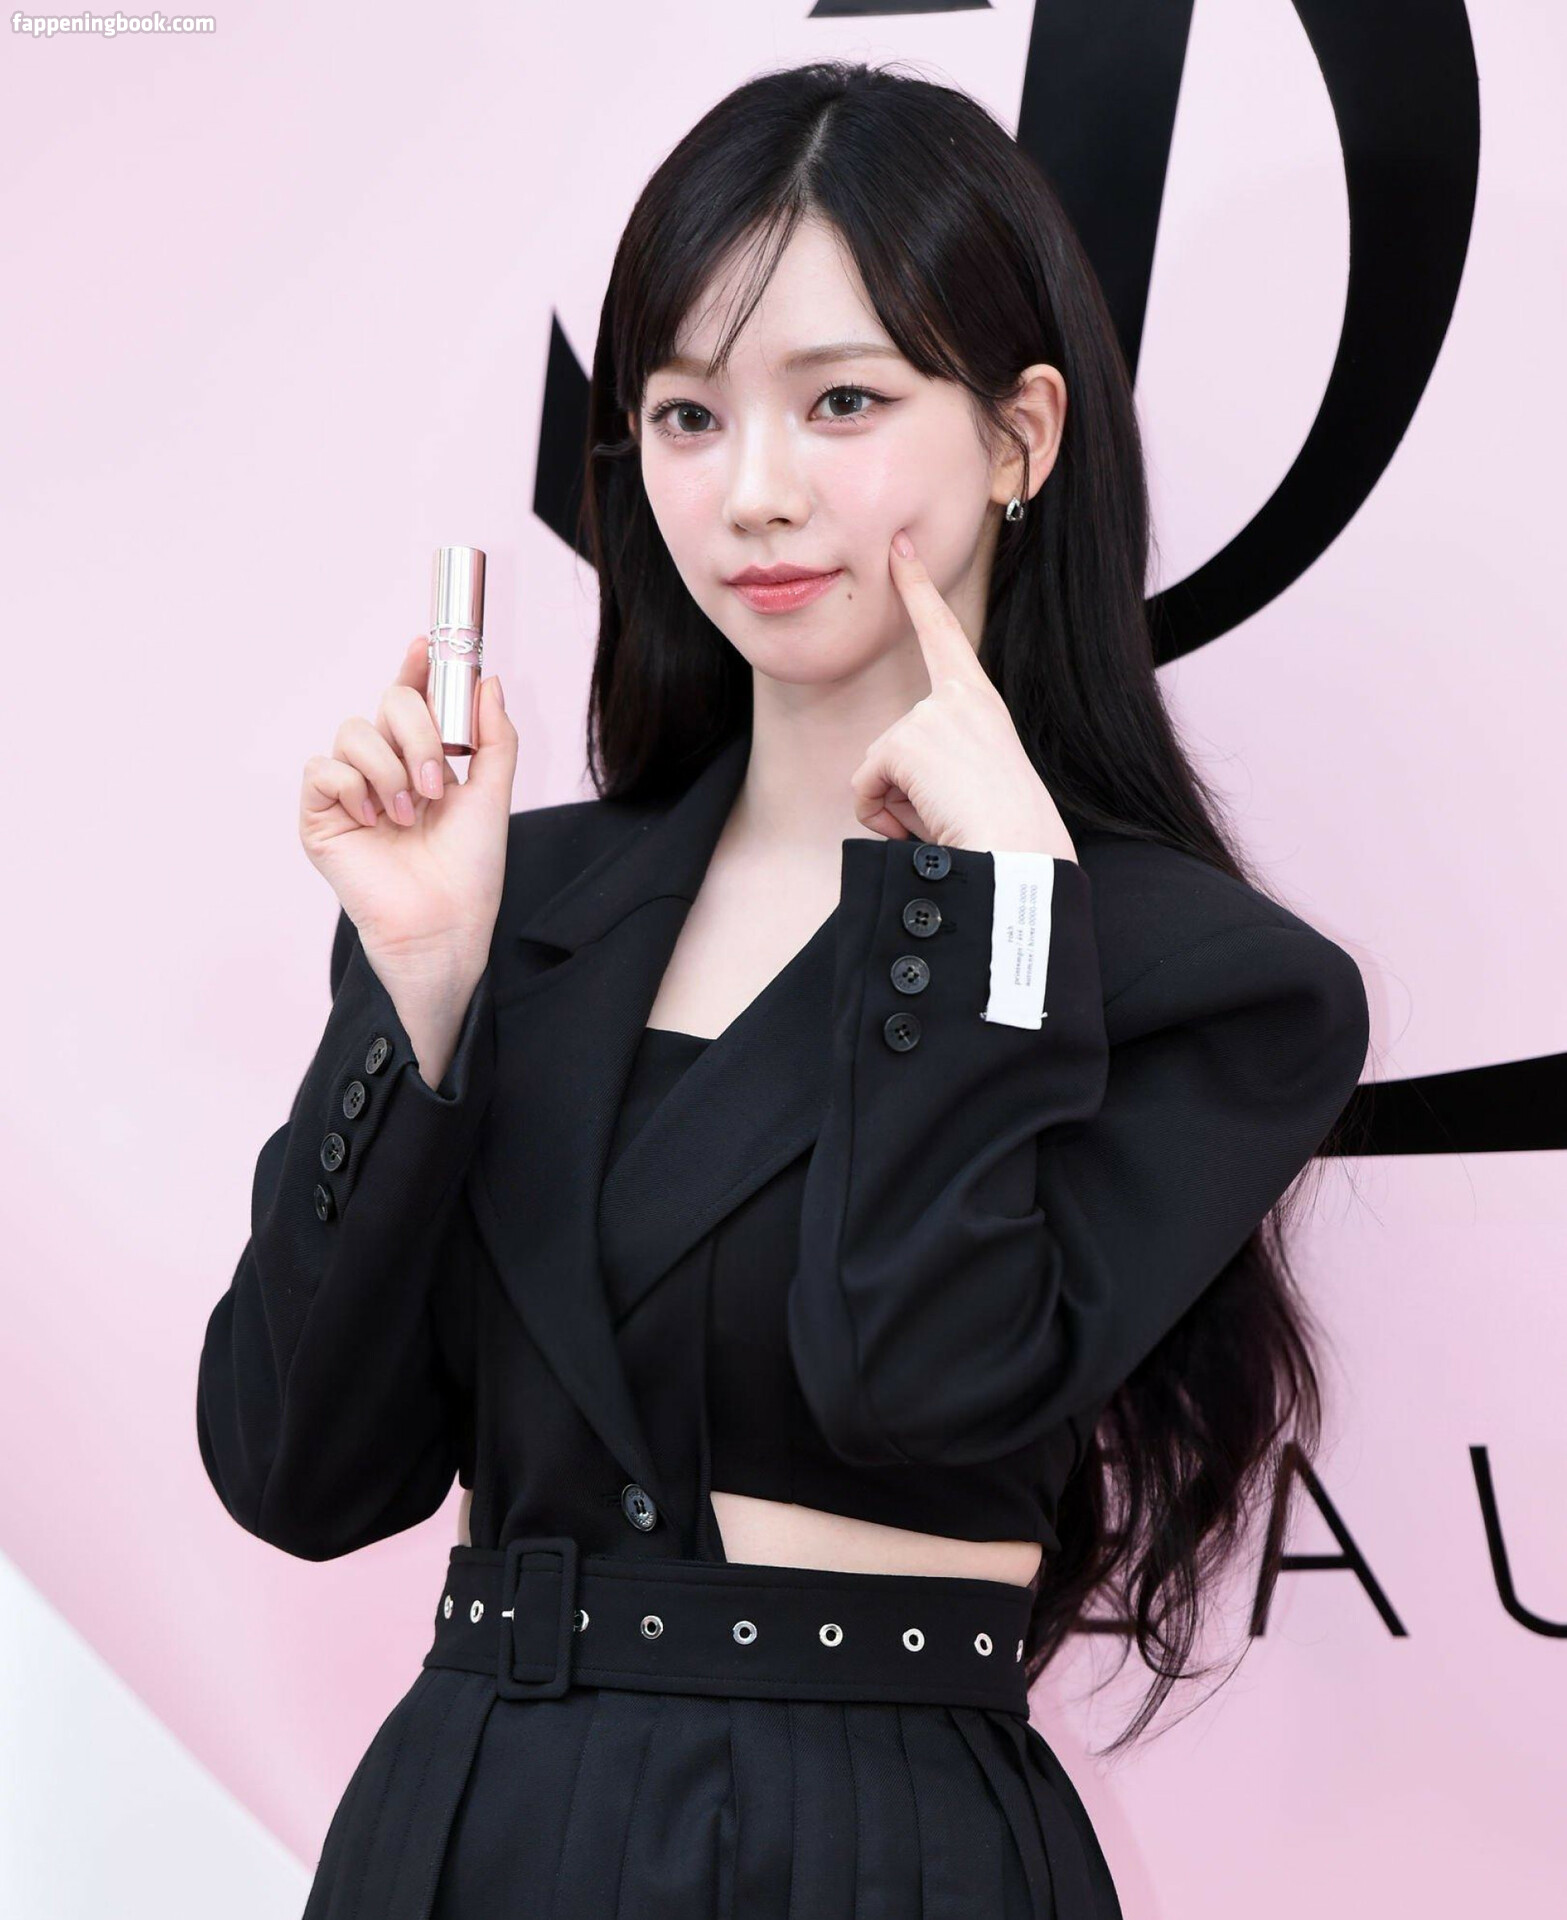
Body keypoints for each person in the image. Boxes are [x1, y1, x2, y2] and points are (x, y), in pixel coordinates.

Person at [196, 59, 1371, 1920]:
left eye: (842, 402)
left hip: (873, 1839)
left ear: (1019, 436)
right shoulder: (517, 901)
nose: (752, 493)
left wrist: (984, 924)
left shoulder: (1202, 980)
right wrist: (422, 990)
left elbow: (917, 1382)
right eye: (686, 415)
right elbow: (297, 1471)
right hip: (471, 1817)